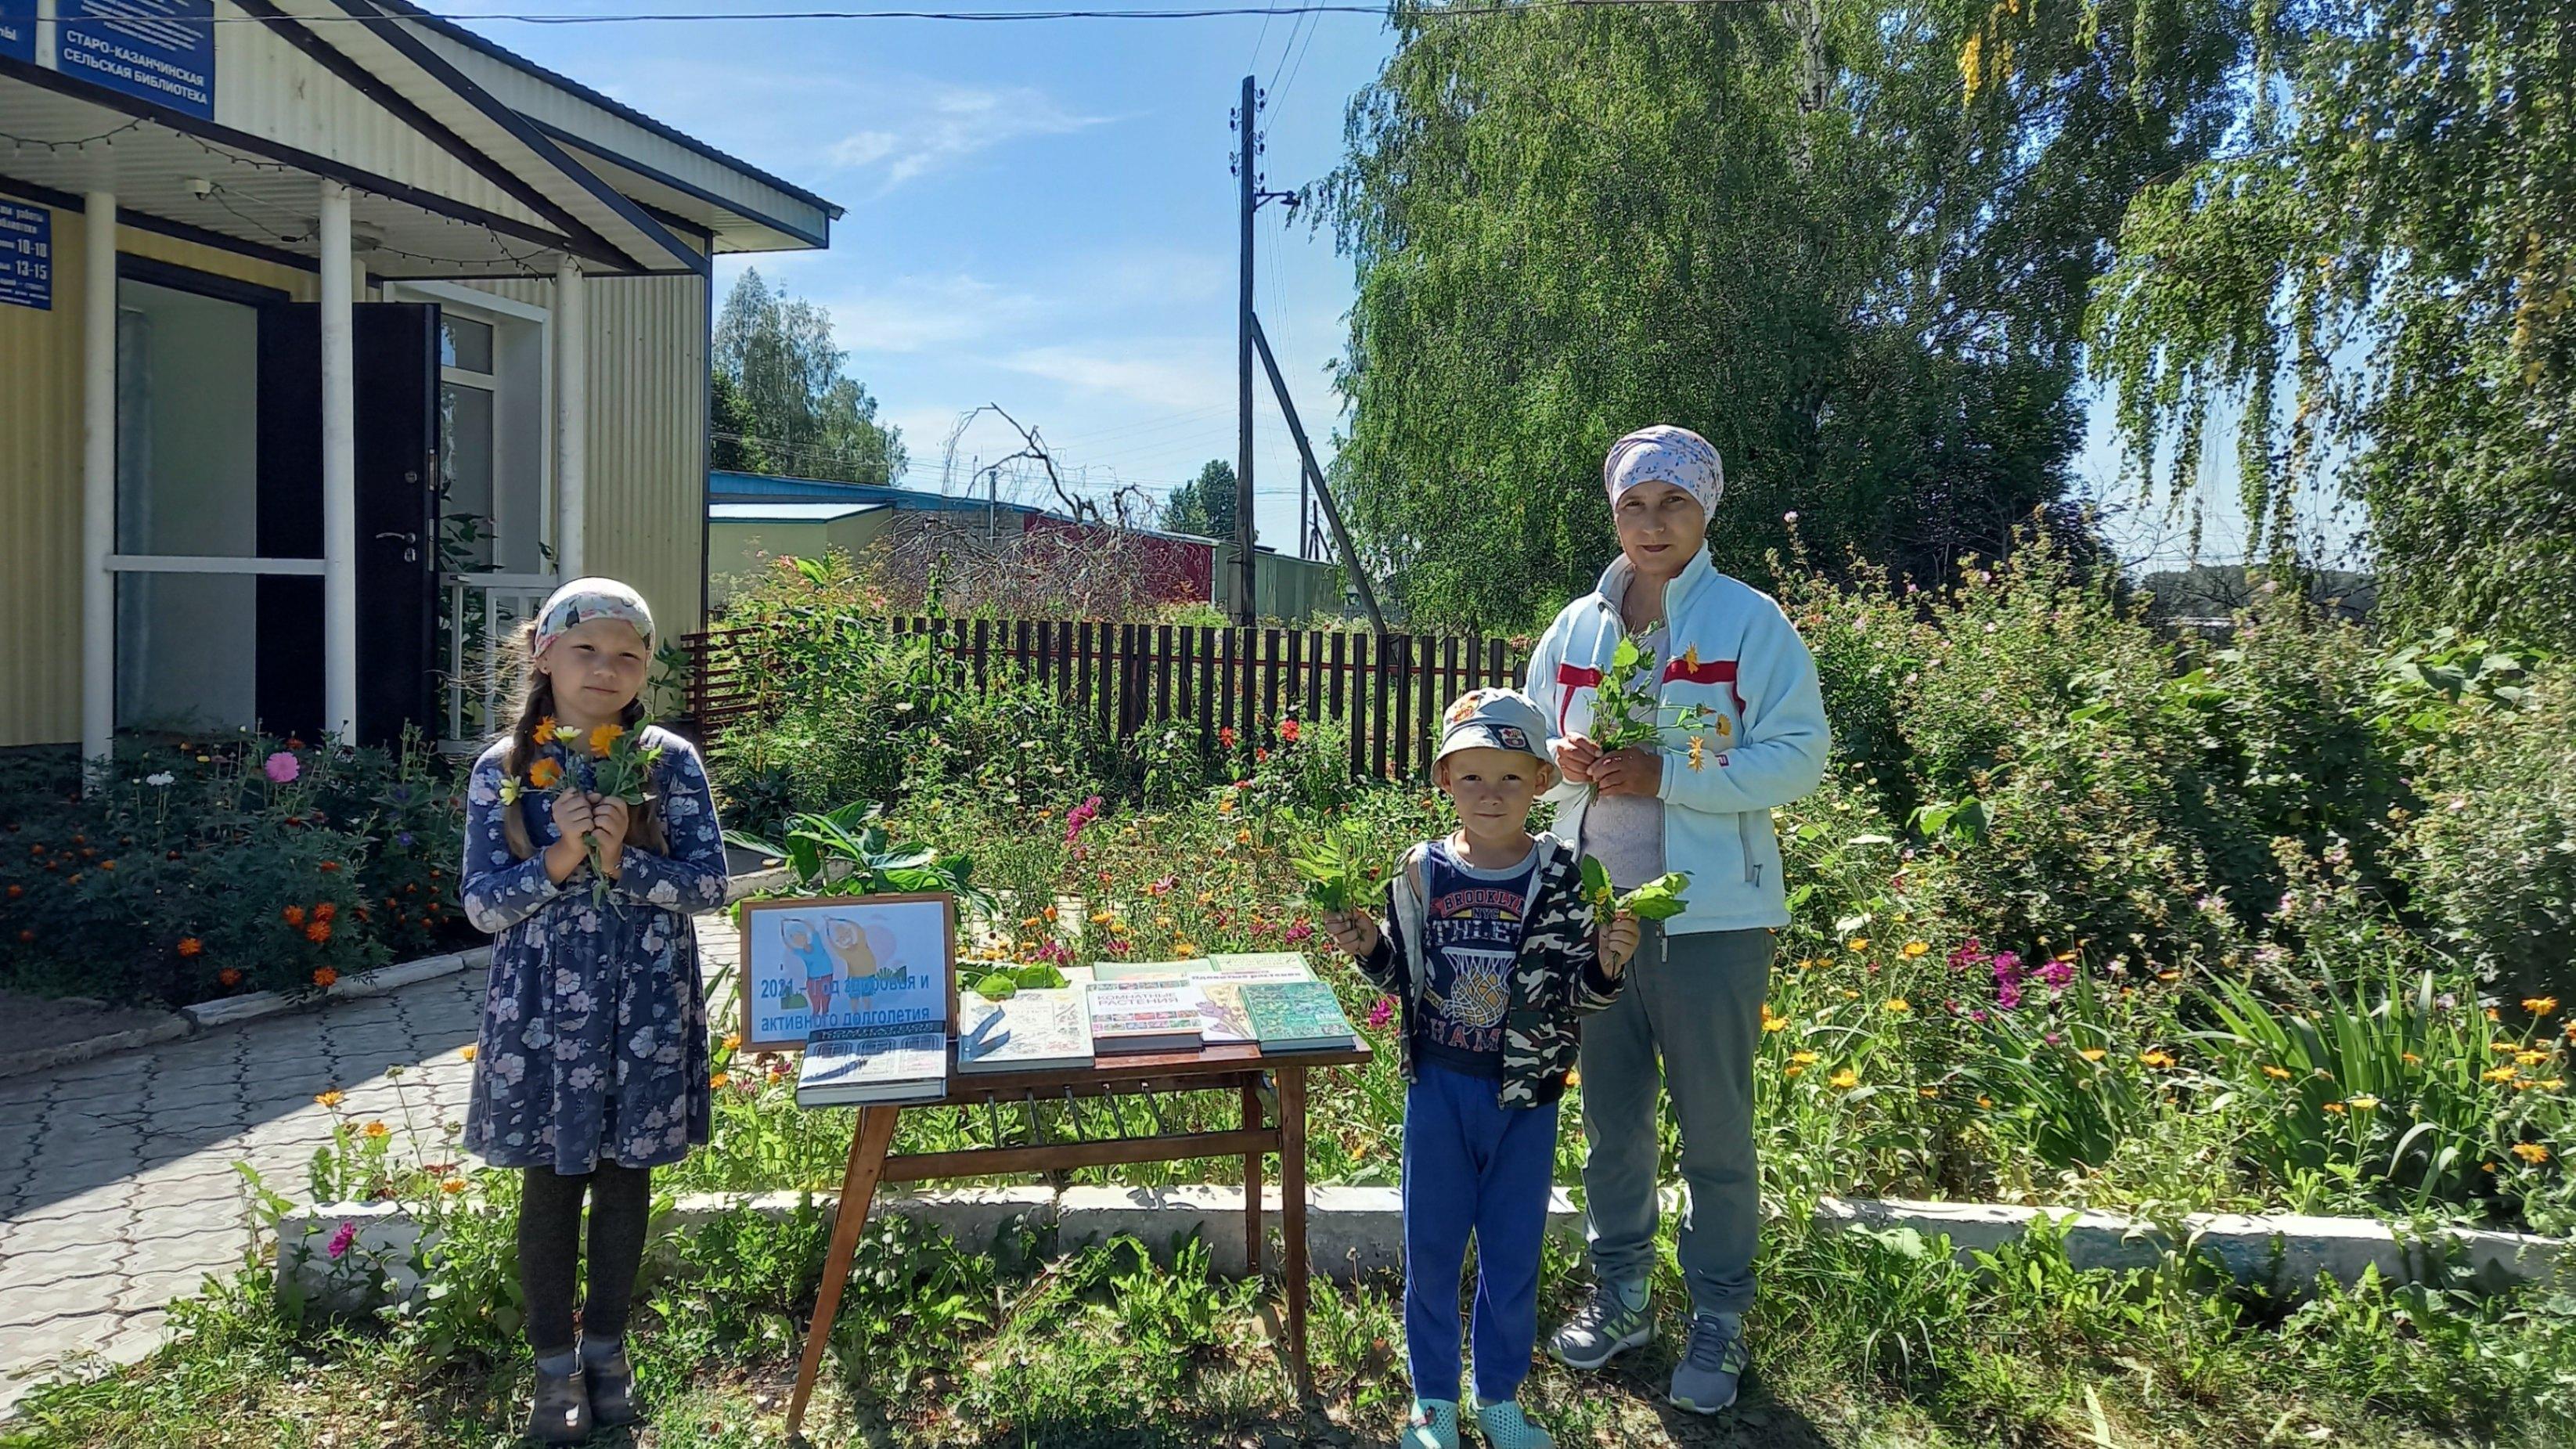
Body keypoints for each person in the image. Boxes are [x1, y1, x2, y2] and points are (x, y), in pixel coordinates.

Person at [1524, 425, 1831, 1414]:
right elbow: (1528, 738)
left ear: (1706, 513)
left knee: (1715, 1132)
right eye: (1634, 505)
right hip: (1594, 918)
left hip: (1713, 923)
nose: (1652, 525)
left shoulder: (1750, 623)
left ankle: (1720, 1313)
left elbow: (1799, 756)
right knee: (1613, 1127)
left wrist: (1674, 777)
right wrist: (1555, 762)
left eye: (1673, 505)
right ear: (1614, 515)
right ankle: (1621, 1294)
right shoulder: (1576, 628)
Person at [1320, 689, 1642, 1449]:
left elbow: (1574, 992)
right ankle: (1432, 1405)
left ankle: (1498, 1401)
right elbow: (1403, 974)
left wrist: (1604, 968)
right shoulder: (1421, 870)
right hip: (1438, 1090)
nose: (1489, 795)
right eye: (1471, 777)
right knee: (1430, 1251)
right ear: (1443, 782)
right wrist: (1368, 944)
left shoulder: (1564, 876)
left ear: (1540, 781)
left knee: (1510, 1255)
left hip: (1526, 1100)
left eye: (1508, 778)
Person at [458, 577, 730, 1444]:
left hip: (643, 1008)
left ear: (648, 665)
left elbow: (711, 887)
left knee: (624, 1183)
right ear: (544, 652)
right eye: (587, 650)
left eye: (629, 654)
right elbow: (482, 906)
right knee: (550, 1184)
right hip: (541, 1017)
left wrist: (627, 865)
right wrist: (564, 853)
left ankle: (608, 1353)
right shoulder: (503, 769)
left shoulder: (667, 762)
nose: (607, 669)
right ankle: (551, 1373)